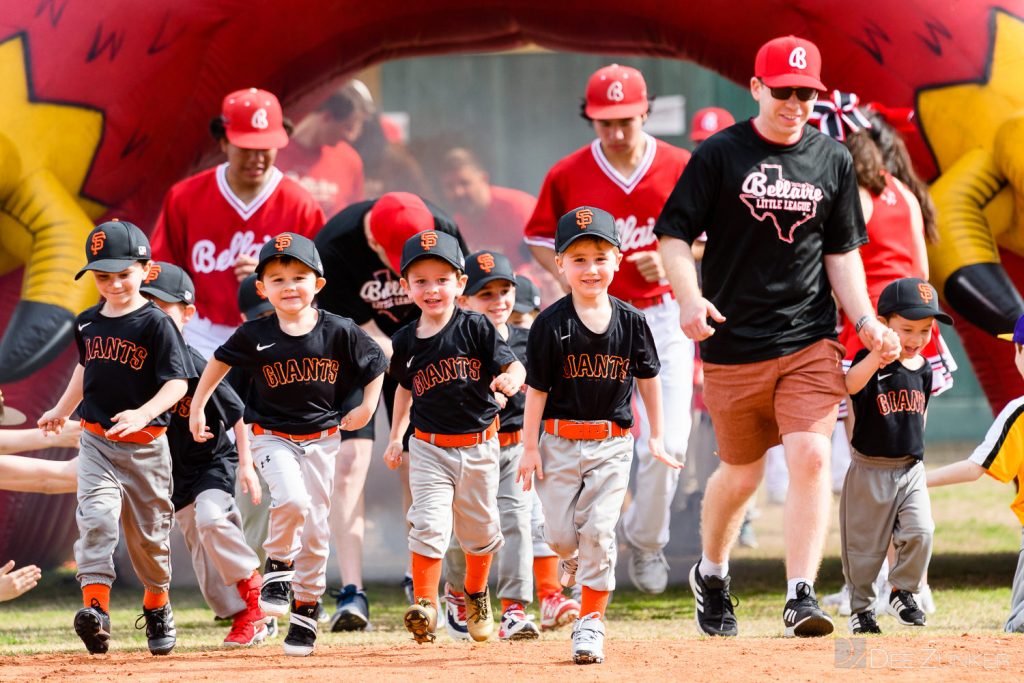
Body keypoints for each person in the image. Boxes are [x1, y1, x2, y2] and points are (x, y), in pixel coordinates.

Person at [655, 35, 901, 638]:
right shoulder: (719, 155)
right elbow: (672, 237)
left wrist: (866, 320)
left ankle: (800, 596)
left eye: (807, 93)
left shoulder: (832, 159)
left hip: (809, 337)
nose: (796, 103)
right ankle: (712, 573)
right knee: (741, 475)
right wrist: (689, 300)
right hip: (734, 341)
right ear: (758, 88)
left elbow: (843, 253)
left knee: (814, 457)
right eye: (784, 91)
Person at [524, 64, 694, 595]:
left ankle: (647, 540)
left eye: (626, 119)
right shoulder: (568, 171)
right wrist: (575, 282)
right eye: (604, 122)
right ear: (590, 119)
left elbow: (707, 237)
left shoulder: (679, 164)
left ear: (646, 112)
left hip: (661, 313)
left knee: (670, 443)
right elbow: (536, 236)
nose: (616, 132)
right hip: (590, 321)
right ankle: (584, 548)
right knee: (583, 440)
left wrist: (671, 264)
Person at [189, 232, 387, 656]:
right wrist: (198, 405)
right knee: (293, 502)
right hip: (271, 437)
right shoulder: (255, 333)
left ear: (319, 282)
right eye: (277, 279)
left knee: (316, 533)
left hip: (323, 440)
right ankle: (278, 564)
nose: (290, 286)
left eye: (300, 276)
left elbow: (377, 364)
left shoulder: (340, 330)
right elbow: (218, 363)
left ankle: (305, 613)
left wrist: (369, 407)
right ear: (262, 289)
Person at [518, 206, 681, 665]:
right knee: (560, 537)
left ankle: (590, 623)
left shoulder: (632, 321)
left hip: (612, 443)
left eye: (600, 257)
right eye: (579, 259)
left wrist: (656, 436)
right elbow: (537, 390)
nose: (591, 268)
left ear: (619, 259)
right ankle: (571, 560)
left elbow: (649, 379)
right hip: (557, 442)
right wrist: (529, 448)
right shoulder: (550, 324)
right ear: (560, 265)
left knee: (600, 531)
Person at [38, 220, 196, 656]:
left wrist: (143, 412)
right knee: (97, 519)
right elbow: (85, 369)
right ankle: (96, 613)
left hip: (146, 447)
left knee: (149, 540)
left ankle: (157, 603)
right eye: (102, 276)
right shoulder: (87, 322)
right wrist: (61, 409)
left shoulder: (156, 324)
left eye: (123, 274)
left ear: (145, 271)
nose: (113, 284)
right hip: (96, 442)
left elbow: (178, 384)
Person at [313, 191, 468, 623]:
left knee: (418, 460)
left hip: (421, 353)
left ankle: (416, 577)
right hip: (353, 355)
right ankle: (351, 588)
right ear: (379, 249)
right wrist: (406, 350)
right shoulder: (336, 246)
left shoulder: (442, 227)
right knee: (348, 463)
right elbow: (352, 332)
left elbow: (461, 304)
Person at [383, 230, 525, 644]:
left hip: (480, 446)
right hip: (427, 447)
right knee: (427, 524)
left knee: (480, 532)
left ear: (460, 284)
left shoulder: (476, 327)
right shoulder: (405, 340)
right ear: (405, 287)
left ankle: (476, 594)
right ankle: (425, 606)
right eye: (421, 280)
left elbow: (514, 365)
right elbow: (405, 389)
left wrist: (510, 380)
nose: (432, 289)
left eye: (442, 279)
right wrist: (396, 437)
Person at [139, 262, 268, 647]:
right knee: (202, 553)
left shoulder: (195, 363)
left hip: (212, 463)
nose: (151, 315)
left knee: (212, 519)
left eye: (162, 306)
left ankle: (256, 596)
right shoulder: (135, 367)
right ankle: (245, 617)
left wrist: (246, 466)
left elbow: (238, 413)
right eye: (144, 305)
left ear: (187, 314)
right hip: (171, 475)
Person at [151, 87, 325, 358]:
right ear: (223, 142)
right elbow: (163, 273)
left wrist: (272, 273)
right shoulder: (185, 197)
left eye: (264, 147)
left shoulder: (300, 204)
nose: (256, 158)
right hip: (201, 333)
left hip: (278, 328)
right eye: (246, 147)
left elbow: (319, 283)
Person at [841, 277, 951, 634]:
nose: (917, 339)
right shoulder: (870, 361)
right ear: (884, 323)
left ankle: (902, 591)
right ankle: (861, 609)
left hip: (910, 468)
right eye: (907, 329)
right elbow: (850, 386)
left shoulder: (925, 369)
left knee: (922, 531)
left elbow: (921, 414)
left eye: (926, 330)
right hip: (869, 469)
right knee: (864, 549)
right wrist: (876, 355)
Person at [441, 250, 539, 640]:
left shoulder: (526, 340)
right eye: (486, 294)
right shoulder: (450, 339)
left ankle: (514, 609)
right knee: (464, 532)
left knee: (517, 523)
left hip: (513, 447)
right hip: (465, 449)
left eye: (505, 290)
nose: (499, 301)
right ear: (463, 299)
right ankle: (457, 592)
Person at [927, 312, 1024, 634]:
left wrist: (917, 481)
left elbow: (974, 468)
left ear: (1019, 353)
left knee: (1021, 626)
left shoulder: (1019, 411)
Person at [276, 81, 369, 217]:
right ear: (327, 117)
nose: (351, 137)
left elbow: (355, 218)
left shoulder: (349, 160)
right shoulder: (272, 152)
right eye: (347, 127)